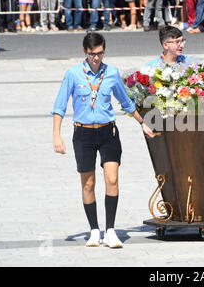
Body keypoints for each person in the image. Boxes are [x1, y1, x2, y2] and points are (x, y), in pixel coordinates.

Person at [52, 32, 155, 248]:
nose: (96, 58)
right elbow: (59, 107)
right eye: (92, 54)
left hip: (108, 133)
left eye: (99, 53)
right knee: (88, 183)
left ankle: (110, 230)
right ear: (84, 52)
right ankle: (93, 230)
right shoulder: (73, 74)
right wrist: (56, 136)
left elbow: (125, 102)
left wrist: (142, 122)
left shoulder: (112, 73)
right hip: (83, 134)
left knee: (112, 179)